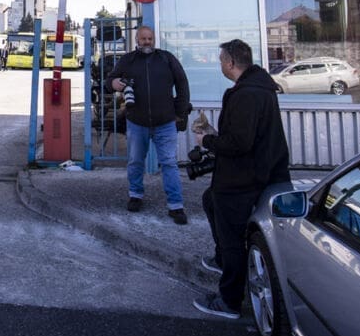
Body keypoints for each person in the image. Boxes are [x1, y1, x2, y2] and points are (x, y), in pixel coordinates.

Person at [192, 38, 290, 320]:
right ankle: (222, 258)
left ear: (231, 63)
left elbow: (240, 144)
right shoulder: (258, 87)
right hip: (260, 171)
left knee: (233, 237)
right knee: (210, 200)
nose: (220, 65)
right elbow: (246, 134)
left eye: (221, 60)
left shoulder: (246, 95)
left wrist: (206, 140)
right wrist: (215, 133)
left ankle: (229, 301)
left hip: (242, 179)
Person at [107, 25, 192, 225]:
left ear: (154, 39)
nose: (147, 42)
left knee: (169, 163)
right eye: (143, 38)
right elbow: (109, 80)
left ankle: (176, 206)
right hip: (137, 122)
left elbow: (182, 84)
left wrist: (179, 113)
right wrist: (114, 84)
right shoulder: (128, 60)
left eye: (150, 38)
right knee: (135, 161)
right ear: (137, 39)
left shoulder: (167, 59)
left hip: (165, 122)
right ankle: (135, 195)